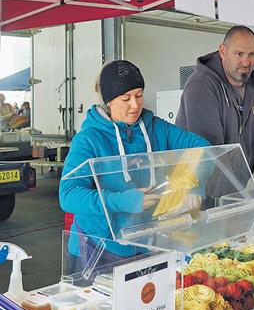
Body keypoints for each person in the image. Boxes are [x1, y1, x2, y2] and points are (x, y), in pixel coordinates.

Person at [59, 60, 210, 264]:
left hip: (145, 243)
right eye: (126, 98)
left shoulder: (157, 128)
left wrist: (193, 184)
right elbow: (68, 195)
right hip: (96, 248)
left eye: (139, 95)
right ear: (109, 101)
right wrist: (123, 200)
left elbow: (202, 147)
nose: (135, 104)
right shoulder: (89, 139)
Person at [176, 26, 254, 185]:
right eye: (239, 54)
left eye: (252, 54)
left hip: (236, 191)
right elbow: (209, 152)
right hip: (197, 189)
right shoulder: (201, 86)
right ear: (223, 51)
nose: (246, 62)